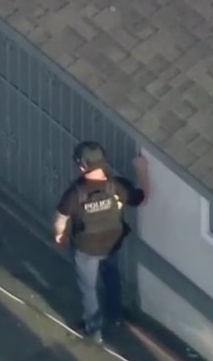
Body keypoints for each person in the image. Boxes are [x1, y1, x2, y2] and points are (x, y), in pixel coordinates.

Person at [52, 141, 150, 344]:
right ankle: (115, 314)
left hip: (86, 247)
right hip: (112, 243)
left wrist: (59, 234)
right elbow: (142, 198)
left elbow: (61, 219)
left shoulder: (75, 193)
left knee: (89, 288)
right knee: (111, 275)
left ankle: (94, 331)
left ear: (81, 166)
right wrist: (142, 170)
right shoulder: (118, 187)